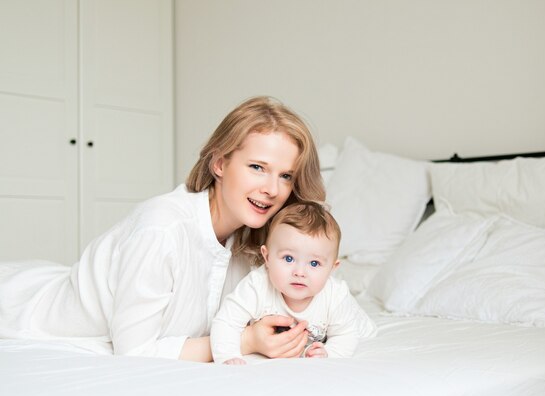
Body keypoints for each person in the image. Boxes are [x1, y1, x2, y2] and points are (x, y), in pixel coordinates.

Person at [0, 96, 325, 362]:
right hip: (22, 308)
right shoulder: (162, 230)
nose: (272, 188)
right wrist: (245, 341)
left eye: (286, 176)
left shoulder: (258, 245)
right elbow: (136, 352)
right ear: (220, 164)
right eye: (258, 167)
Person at [211, 202, 377, 365]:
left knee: (360, 328)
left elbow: (346, 334)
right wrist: (228, 357)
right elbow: (227, 321)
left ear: (332, 268)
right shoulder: (257, 285)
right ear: (267, 257)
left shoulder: (335, 294)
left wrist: (330, 353)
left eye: (314, 263)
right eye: (288, 258)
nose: (299, 272)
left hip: (357, 321)